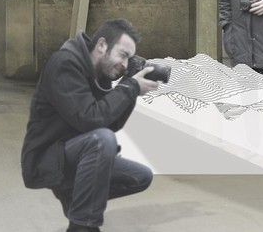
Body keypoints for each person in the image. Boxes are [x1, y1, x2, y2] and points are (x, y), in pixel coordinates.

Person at [20, 19, 160, 232]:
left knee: (140, 176)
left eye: (129, 59)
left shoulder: (100, 74)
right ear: (102, 45)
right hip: (47, 157)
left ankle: (73, 197)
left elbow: (111, 124)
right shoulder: (65, 64)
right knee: (101, 140)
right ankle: (82, 226)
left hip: (75, 153)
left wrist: (131, 90)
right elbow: (89, 119)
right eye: (123, 55)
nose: (125, 64)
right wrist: (128, 87)